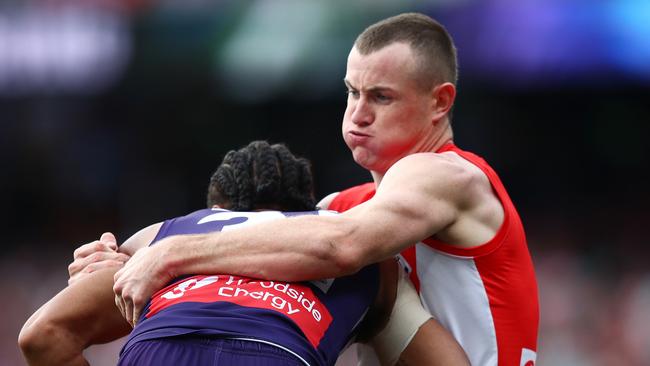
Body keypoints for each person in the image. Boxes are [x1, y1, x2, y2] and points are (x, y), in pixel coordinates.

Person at [71, 12, 539, 365]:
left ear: (440, 102)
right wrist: (118, 266)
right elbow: (246, 260)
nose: (358, 114)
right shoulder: (339, 209)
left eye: (381, 96)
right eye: (352, 92)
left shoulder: (448, 175)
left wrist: (168, 254)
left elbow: (343, 246)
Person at [19, 141, 468, 366]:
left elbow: (42, 336)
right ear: (305, 209)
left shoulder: (162, 236)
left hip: (158, 352)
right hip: (272, 353)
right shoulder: (361, 248)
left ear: (215, 208)